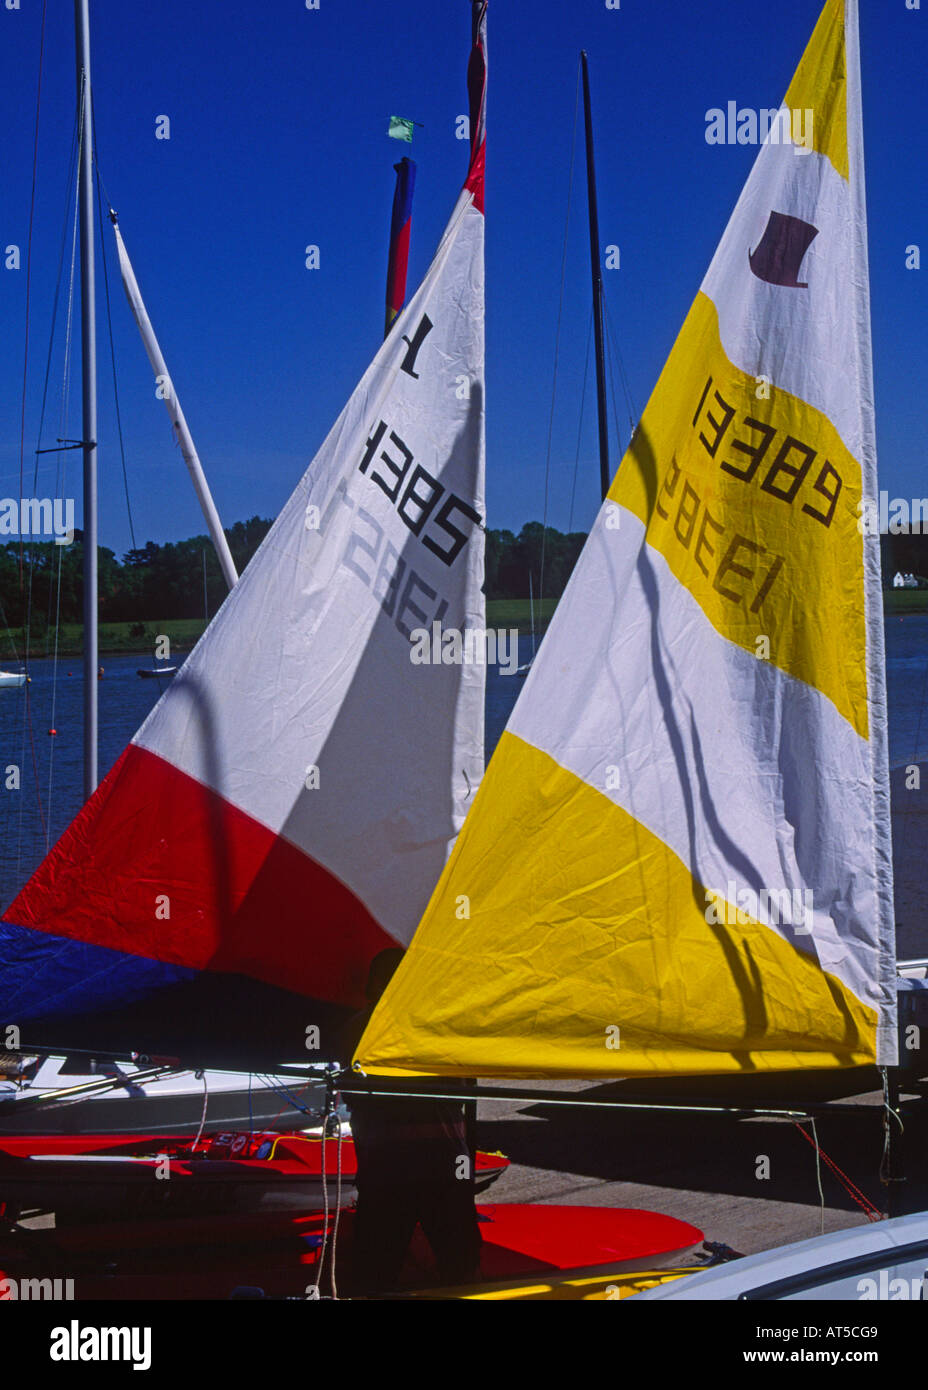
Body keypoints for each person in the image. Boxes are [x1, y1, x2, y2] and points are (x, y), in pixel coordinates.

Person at [338, 948, 481, 1295]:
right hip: (443, 1169)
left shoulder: (359, 1029)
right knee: (460, 1269)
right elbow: (468, 1097)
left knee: (374, 1273)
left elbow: (351, 1096)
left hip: (387, 1171)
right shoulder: (441, 1027)